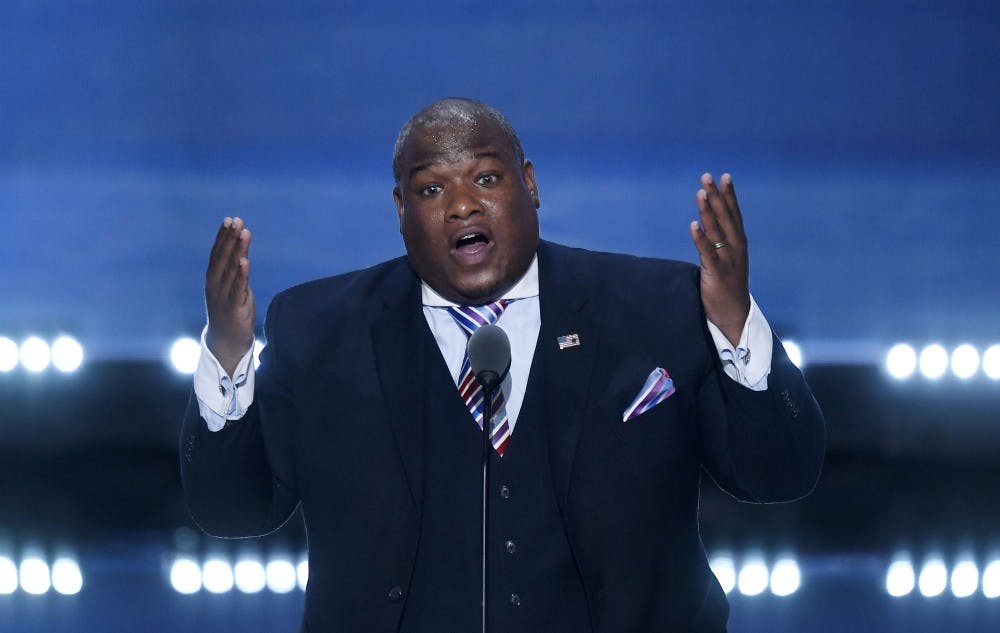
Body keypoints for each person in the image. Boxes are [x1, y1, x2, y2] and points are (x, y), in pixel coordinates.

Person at [181, 97, 825, 632]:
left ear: (531, 184)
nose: (461, 205)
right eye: (431, 188)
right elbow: (233, 510)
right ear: (401, 211)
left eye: (486, 178)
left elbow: (778, 474)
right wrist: (230, 352)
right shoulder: (320, 329)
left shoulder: (656, 307)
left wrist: (733, 321)